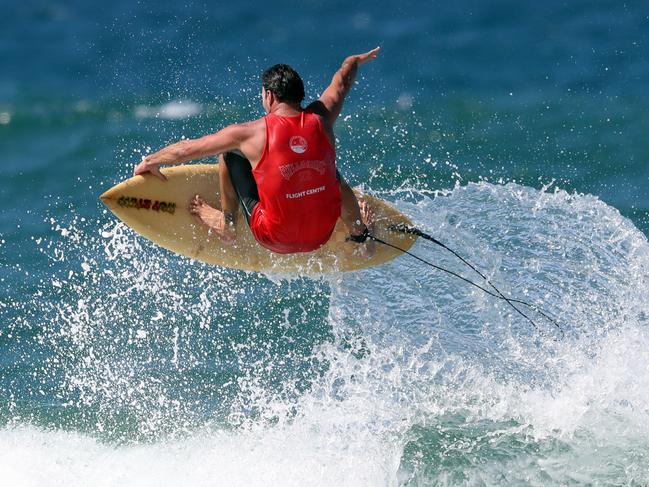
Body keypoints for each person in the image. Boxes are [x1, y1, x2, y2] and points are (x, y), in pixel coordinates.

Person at [133, 47, 380, 256]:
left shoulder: (248, 133)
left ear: (269, 96)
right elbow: (341, 83)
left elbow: (188, 149)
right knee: (329, 171)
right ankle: (360, 232)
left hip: (274, 237)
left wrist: (151, 161)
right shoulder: (321, 119)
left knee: (229, 153)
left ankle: (227, 224)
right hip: (321, 234)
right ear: (299, 95)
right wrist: (353, 61)